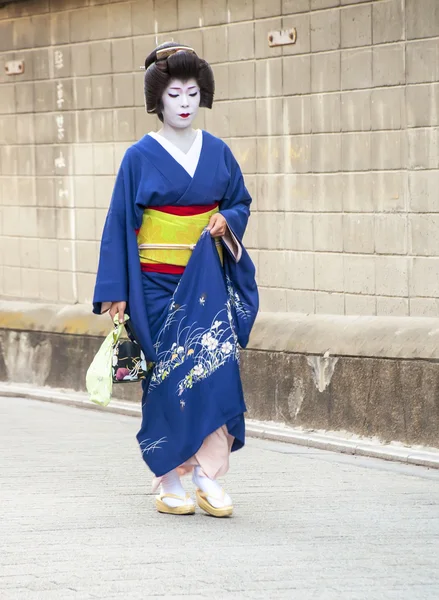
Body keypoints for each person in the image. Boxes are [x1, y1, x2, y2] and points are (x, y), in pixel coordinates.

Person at [93, 42, 258, 517]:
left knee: (216, 368)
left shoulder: (219, 152)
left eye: (191, 93)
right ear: (158, 101)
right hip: (154, 287)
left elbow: (240, 201)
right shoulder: (139, 157)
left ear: (200, 95)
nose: (184, 103)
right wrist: (116, 294)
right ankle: (168, 475)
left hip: (205, 283)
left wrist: (227, 219)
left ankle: (207, 474)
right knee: (165, 376)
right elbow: (118, 224)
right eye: (174, 94)